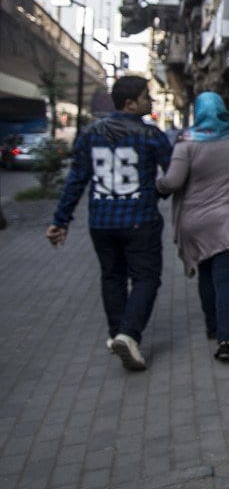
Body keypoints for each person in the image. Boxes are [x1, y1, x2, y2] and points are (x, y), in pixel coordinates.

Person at [46, 75, 173, 371]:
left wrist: (60, 220)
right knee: (146, 277)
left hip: (101, 221)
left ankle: (119, 333)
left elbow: (76, 180)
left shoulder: (90, 133)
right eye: (146, 97)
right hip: (140, 219)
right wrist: (159, 192)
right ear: (130, 104)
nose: (150, 102)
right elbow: (172, 173)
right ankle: (128, 334)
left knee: (112, 276)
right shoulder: (151, 136)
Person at [156, 92, 229, 362]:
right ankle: (226, 339)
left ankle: (212, 325)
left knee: (206, 272)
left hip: (196, 220)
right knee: (227, 277)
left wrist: (157, 187)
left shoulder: (187, 143)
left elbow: (172, 182)